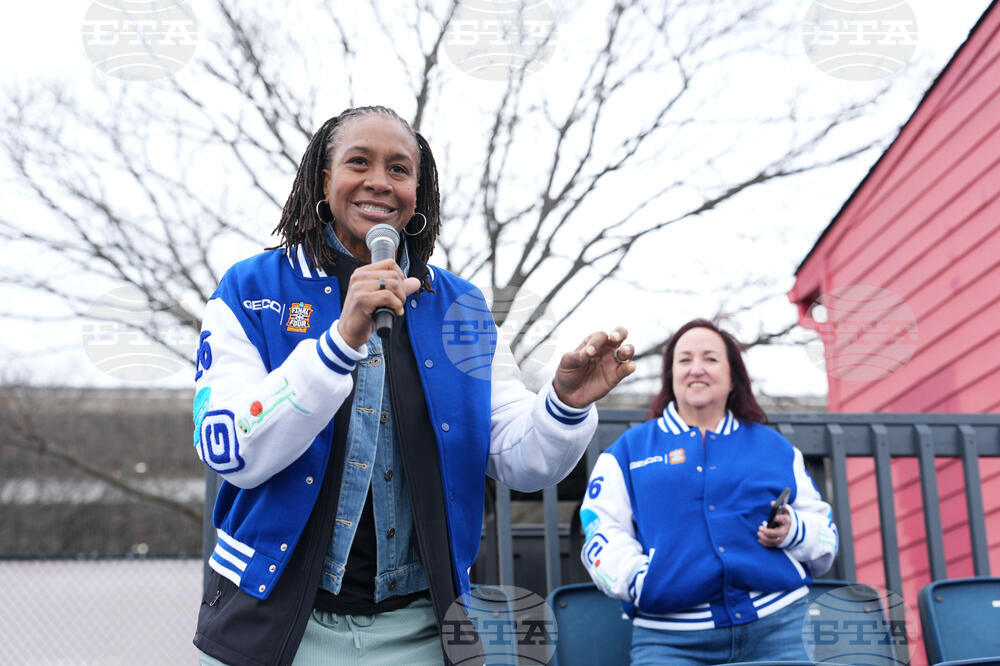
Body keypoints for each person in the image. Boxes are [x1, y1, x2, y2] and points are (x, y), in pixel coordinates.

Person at [192, 105, 636, 666]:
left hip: (419, 631)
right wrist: (337, 346)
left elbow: (518, 456)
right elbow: (228, 448)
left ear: (418, 193)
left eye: (399, 169)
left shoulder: (460, 307)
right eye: (359, 162)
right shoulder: (250, 289)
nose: (379, 181)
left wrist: (564, 405)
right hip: (269, 624)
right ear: (324, 181)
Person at [579, 318, 838, 665]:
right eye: (684, 360)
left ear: (733, 377)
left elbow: (825, 535)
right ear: (671, 375)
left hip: (781, 630)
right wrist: (640, 580)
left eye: (711, 359)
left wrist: (796, 530)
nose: (696, 369)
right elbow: (601, 529)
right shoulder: (627, 452)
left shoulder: (776, 448)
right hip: (668, 641)